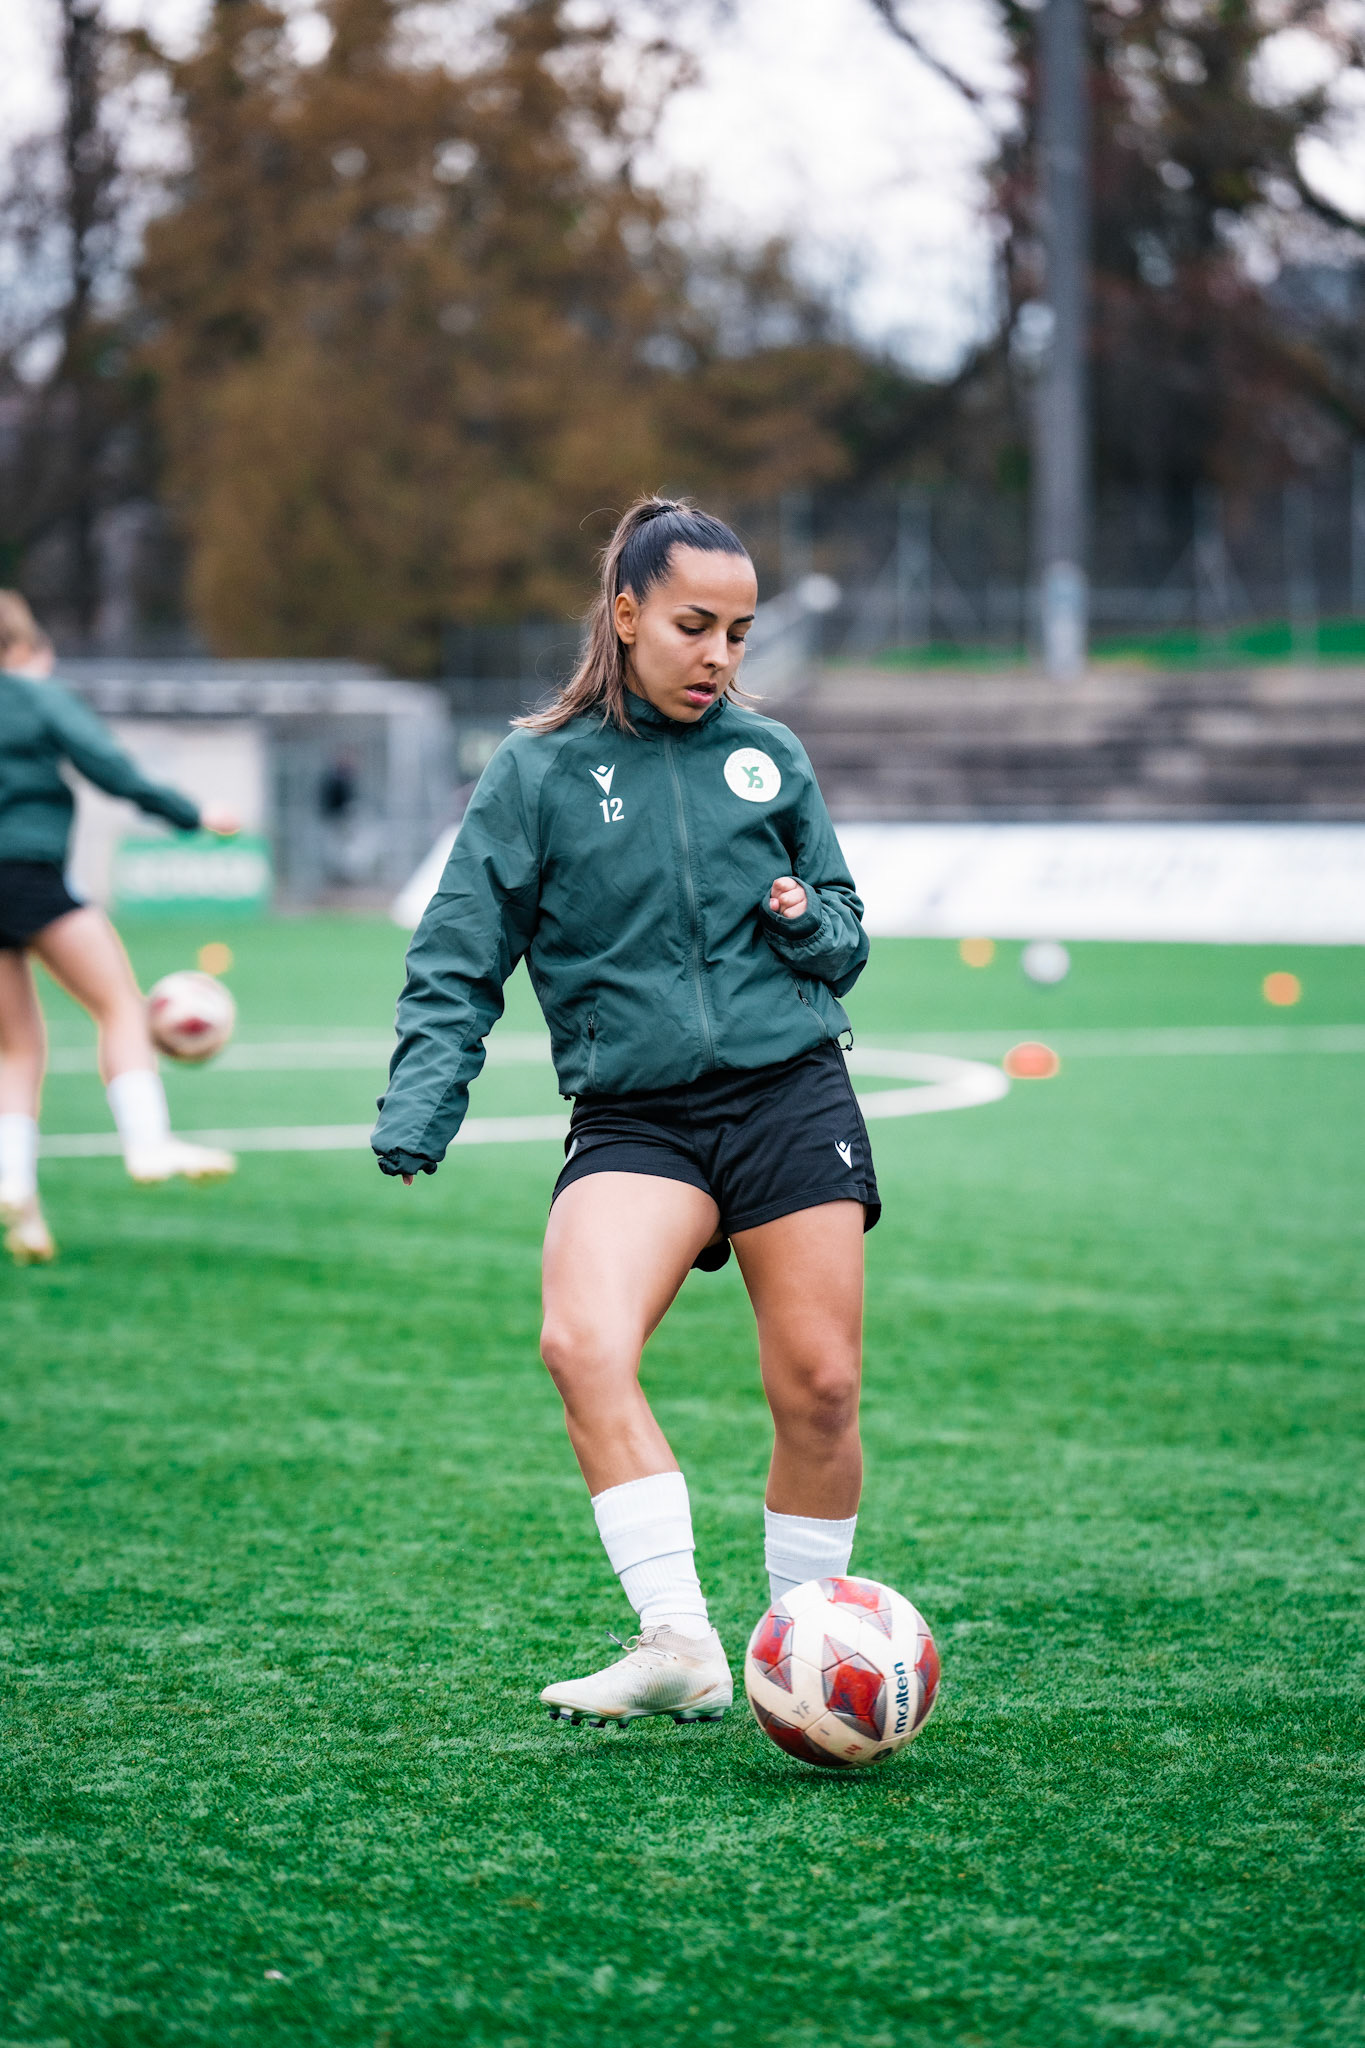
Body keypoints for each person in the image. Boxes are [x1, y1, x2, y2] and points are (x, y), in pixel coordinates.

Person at [372, 498, 878, 1728]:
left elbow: (848, 932)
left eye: (741, 633)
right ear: (627, 613)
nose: (720, 655)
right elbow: (458, 952)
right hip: (636, 1116)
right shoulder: (536, 769)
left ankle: (793, 1649)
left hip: (787, 1090)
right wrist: (423, 1097)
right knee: (580, 1340)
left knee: (817, 1384)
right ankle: (679, 1639)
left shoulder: (771, 755)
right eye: (696, 625)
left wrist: (806, 919)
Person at [0, 592, 239, 1265]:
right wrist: (194, 815)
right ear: (26, 649)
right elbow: (111, 768)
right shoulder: (33, 695)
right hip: (26, 872)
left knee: (16, 1049)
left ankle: (13, 1182)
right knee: (118, 1007)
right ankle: (148, 1142)